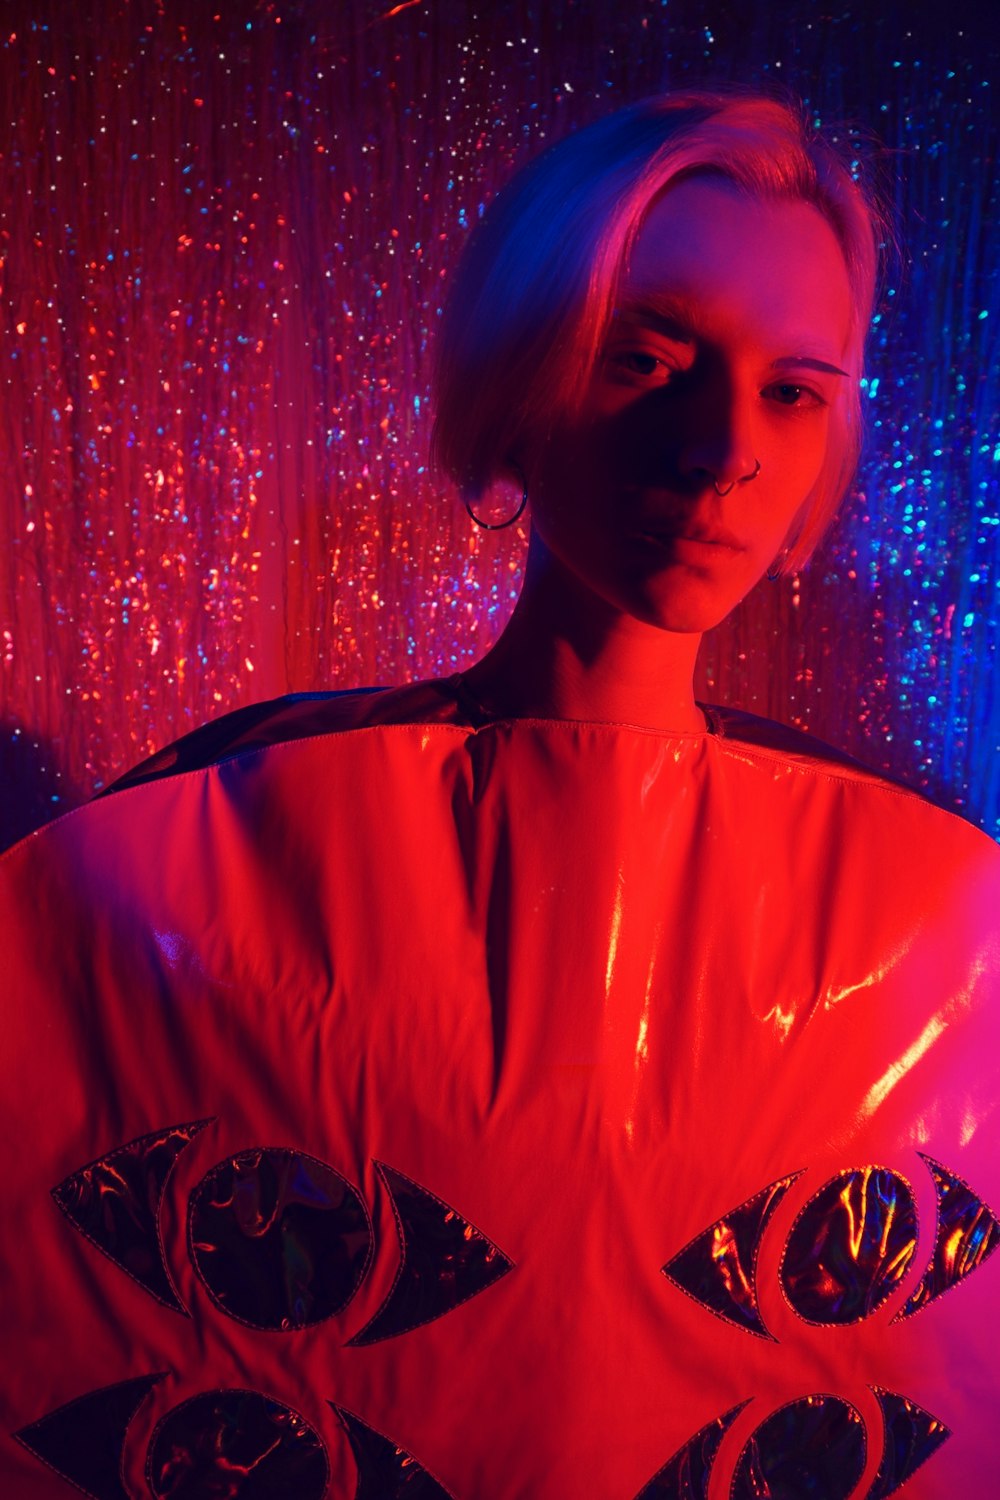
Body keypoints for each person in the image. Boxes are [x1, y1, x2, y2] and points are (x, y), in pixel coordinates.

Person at [1, 89, 997, 1500]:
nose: (724, 451)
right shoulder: (221, 836)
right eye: (645, 359)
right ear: (518, 385)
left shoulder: (926, 911)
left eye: (792, 389)